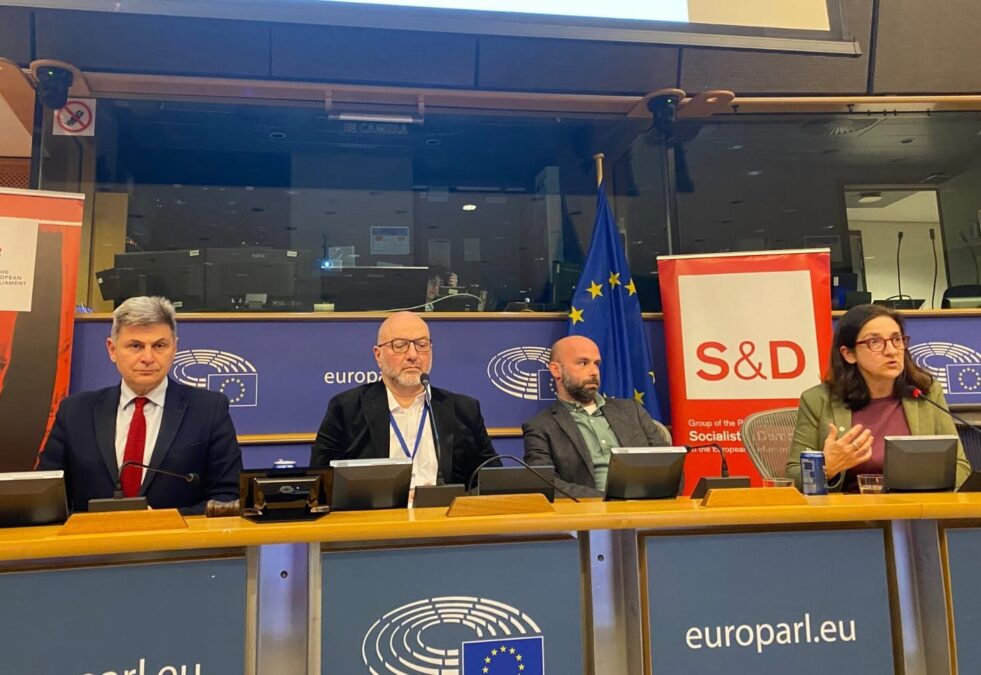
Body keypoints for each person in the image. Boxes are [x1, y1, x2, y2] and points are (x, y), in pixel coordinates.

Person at [36, 296, 242, 513]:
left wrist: (162, 521)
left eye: (159, 345)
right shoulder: (75, 412)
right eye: (135, 346)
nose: (148, 357)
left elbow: (228, 498)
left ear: (174, 349)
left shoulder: (208, 410)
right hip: (93, 535)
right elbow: (46, 498)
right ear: (112, 350)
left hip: (176, 535)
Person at [787, 304, 970, 492]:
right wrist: (826, 469)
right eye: (875, 342)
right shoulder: (818, 400)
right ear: (849, 354)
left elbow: (960, 466)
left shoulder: (925, 393)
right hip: (851, 508)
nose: (891, 351)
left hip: (916, 506)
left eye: (896, 339)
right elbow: (793, 474)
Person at [311, 311, 499, 488]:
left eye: (422, 345)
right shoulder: (347, 409)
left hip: (443, 511)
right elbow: (320, 483)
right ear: (378, 355)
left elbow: (491, 481)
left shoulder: (464, 410)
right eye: (400, 345)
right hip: (377, 512)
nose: (413, 355)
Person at [522, 335, 670, 498]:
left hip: (646, 506)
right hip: (588, 510)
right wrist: (605, 500)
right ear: (556, 370)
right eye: (583, 363)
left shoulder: (631, 411)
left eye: (596, 364)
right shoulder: (541, 426)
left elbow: (670, 468)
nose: (594, 372)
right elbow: (545, 483)